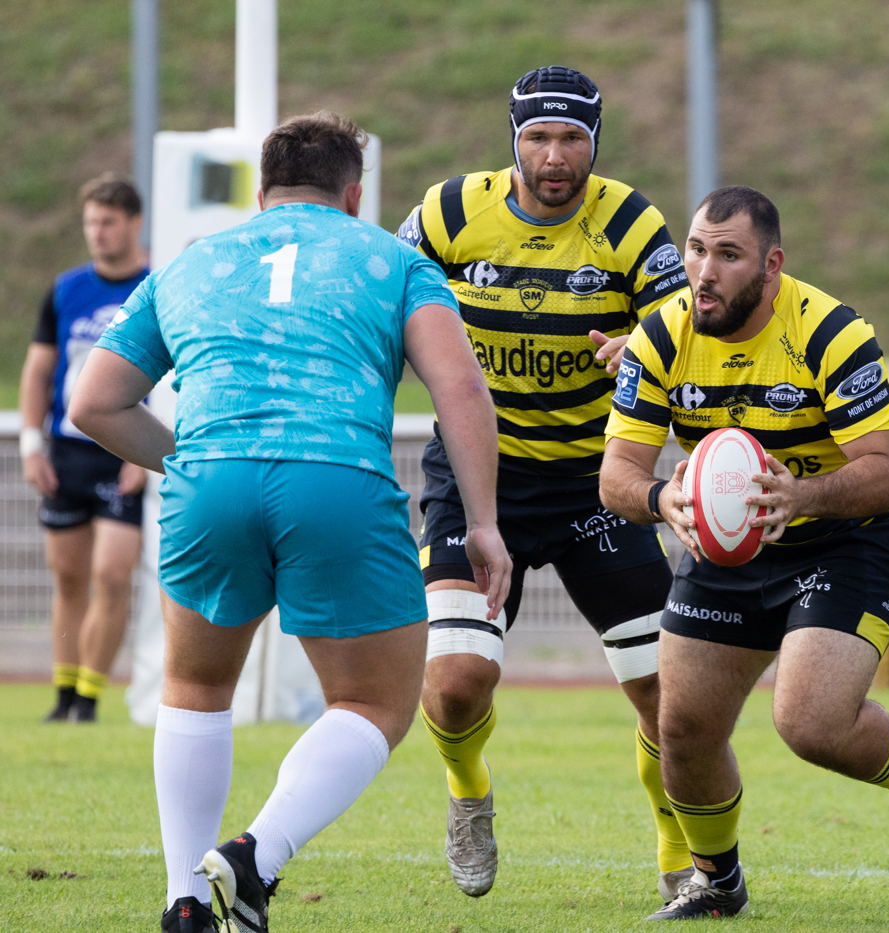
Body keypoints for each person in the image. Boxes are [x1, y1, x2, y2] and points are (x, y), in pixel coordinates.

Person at [68, 112, 509, 933]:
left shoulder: (192, 263)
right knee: (375, 702)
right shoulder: (394, 259)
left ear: (261, 192)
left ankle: (185, 901)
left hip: (211, 480)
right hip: (335, 477)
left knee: (195, 688)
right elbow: (460, 392)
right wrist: (482, 522)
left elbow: (93, 401)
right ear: (353, 194)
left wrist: (187, 462)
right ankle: (252, 857)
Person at [601, 186, 889, 920]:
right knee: (682, 727)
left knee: (809, 721)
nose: (704, 271)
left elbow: (887, 471)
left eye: (728, 255)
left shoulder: (832, 332)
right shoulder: (660, 336)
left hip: (846, 532)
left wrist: (799, 496)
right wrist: (661, 501)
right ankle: (717, 880)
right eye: (696, 250)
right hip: (730, 543)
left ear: (771, 266)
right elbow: (617, 474)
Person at [396, 65, 692, 900]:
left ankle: (679, 859)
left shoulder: (633, 223)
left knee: (662, 694)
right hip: (475, 476)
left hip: (598, 480)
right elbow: (380, 298)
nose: (554, 156)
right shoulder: (450, 211)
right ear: (512, 140)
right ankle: (467, 790)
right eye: (538, 138)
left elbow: (688, 330)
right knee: (455, 687)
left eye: (572, 139)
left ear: (596, 143)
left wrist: (643, 344)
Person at [20, 174, 149, 722]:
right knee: (68, 577)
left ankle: (92, 696)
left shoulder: (154, 285)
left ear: (134, 223)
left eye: (108, 222)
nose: (97, 233)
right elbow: (38, 371)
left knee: (112, 574)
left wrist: (142, 454)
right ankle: (65, 694)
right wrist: (31, 445)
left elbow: (168, 379)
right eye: (91, 222)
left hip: (122, 449)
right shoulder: (66, 288)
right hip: (67, 449)